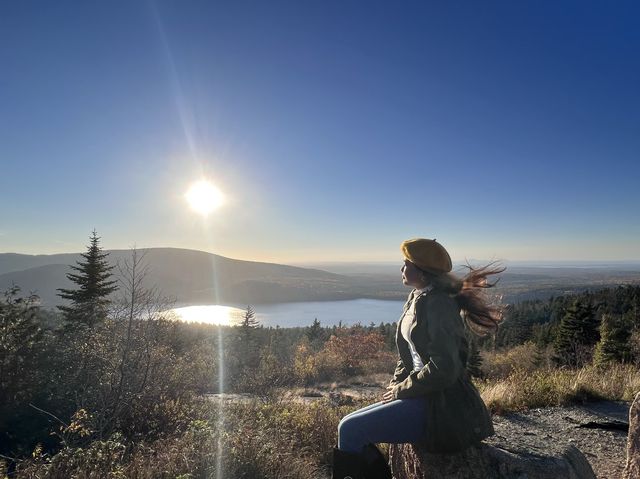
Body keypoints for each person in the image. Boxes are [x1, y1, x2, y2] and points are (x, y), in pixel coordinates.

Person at [332, 238, 504, 479]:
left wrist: (402, 390)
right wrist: (396, 383)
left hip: (441, 404)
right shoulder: (417, 297)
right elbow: (409, 355)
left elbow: (444, 368)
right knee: (347, 423)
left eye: (406, 264)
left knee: (351, 429)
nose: (401, 269)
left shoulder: (439, 305)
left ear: (422, 272)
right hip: (422, 393)